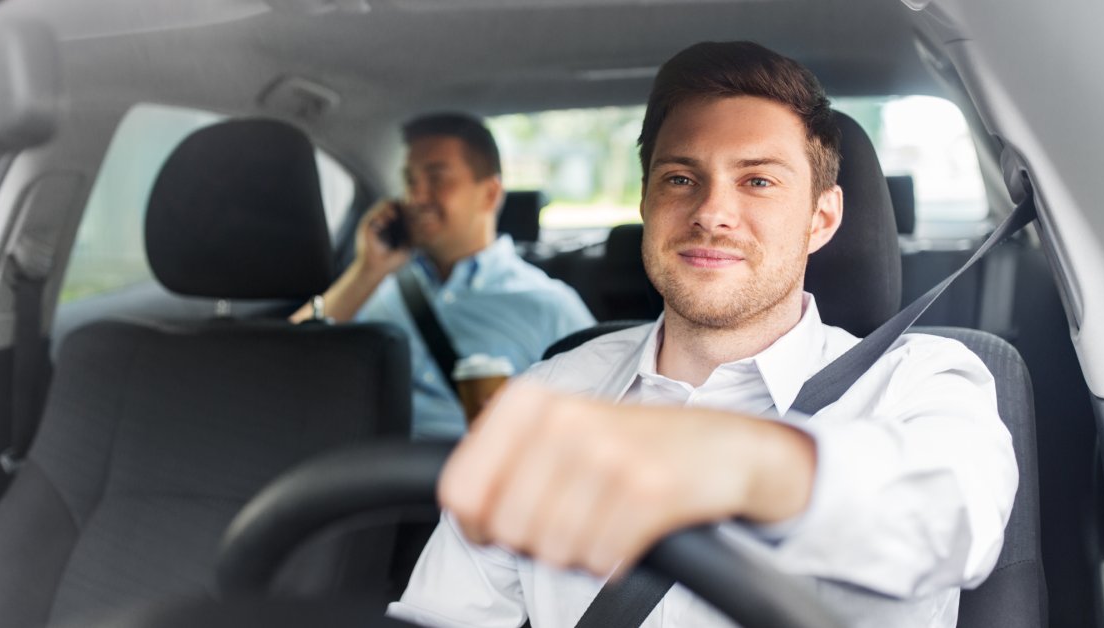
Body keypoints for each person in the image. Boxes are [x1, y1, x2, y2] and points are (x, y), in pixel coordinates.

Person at [387, 42, 1017, 627]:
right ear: (645, 204)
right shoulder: (551, 393)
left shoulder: (923, 381)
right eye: (681, 179)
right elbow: (446, 612)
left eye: (758, 180)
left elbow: (954, 519)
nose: (712, 211)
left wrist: (739, 465)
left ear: (822, 218)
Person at [290, 113, 595, 440]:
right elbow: (279, 362)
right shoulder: (374, 286)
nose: (416, 197)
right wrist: (366, 271)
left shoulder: (551, 306)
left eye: (437, 178)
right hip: (362, 475)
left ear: (490, 194)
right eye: (410, 181)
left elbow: (598, 426)